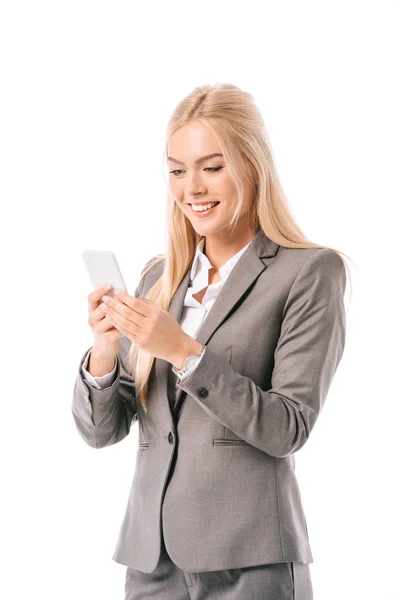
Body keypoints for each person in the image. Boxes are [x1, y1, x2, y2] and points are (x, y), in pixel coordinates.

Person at [72, 83, 351, 600]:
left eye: (212, 166)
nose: (192, 188)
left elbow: (288, 427)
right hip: (151, 561)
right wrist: (105, 351)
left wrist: (185, 352)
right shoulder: (160, 277)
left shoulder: (310, 271)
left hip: (251, 559)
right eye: (177, 170)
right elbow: (102, 432)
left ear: (251, 165)